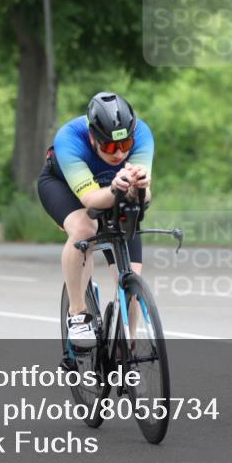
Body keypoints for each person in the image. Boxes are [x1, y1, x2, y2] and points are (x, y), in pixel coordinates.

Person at [38, 92, 153, 350]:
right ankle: (78, 313)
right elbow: (90, 200)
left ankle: (129, 348)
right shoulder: (69, 139)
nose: (119, 154)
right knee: (85, 228)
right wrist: (115, 189)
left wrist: (141, 186)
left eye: (125, 146)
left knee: (132, 278)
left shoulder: (143, 134)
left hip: (113, 189)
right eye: (110, 147)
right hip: (64, 186)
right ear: (93, 137)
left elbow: (145, 199)